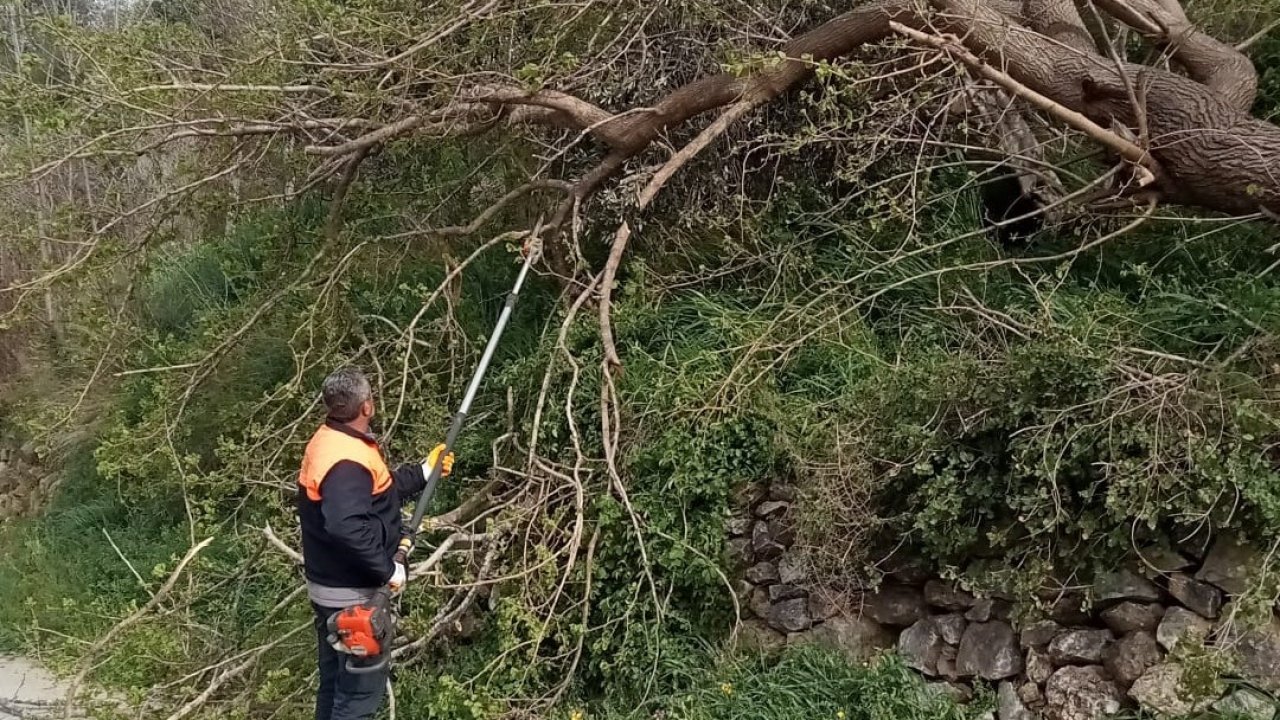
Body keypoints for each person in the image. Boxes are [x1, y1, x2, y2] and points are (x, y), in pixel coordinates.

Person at [297, 366, 453, 720]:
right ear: (367, 406)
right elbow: (346, 525)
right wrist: (388, 569)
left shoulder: (332, 441)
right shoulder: (346, 462)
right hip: (353, 599)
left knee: (335, 687)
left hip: (329, 591)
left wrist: (425, 472)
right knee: (356, 701)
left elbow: (376, 494)